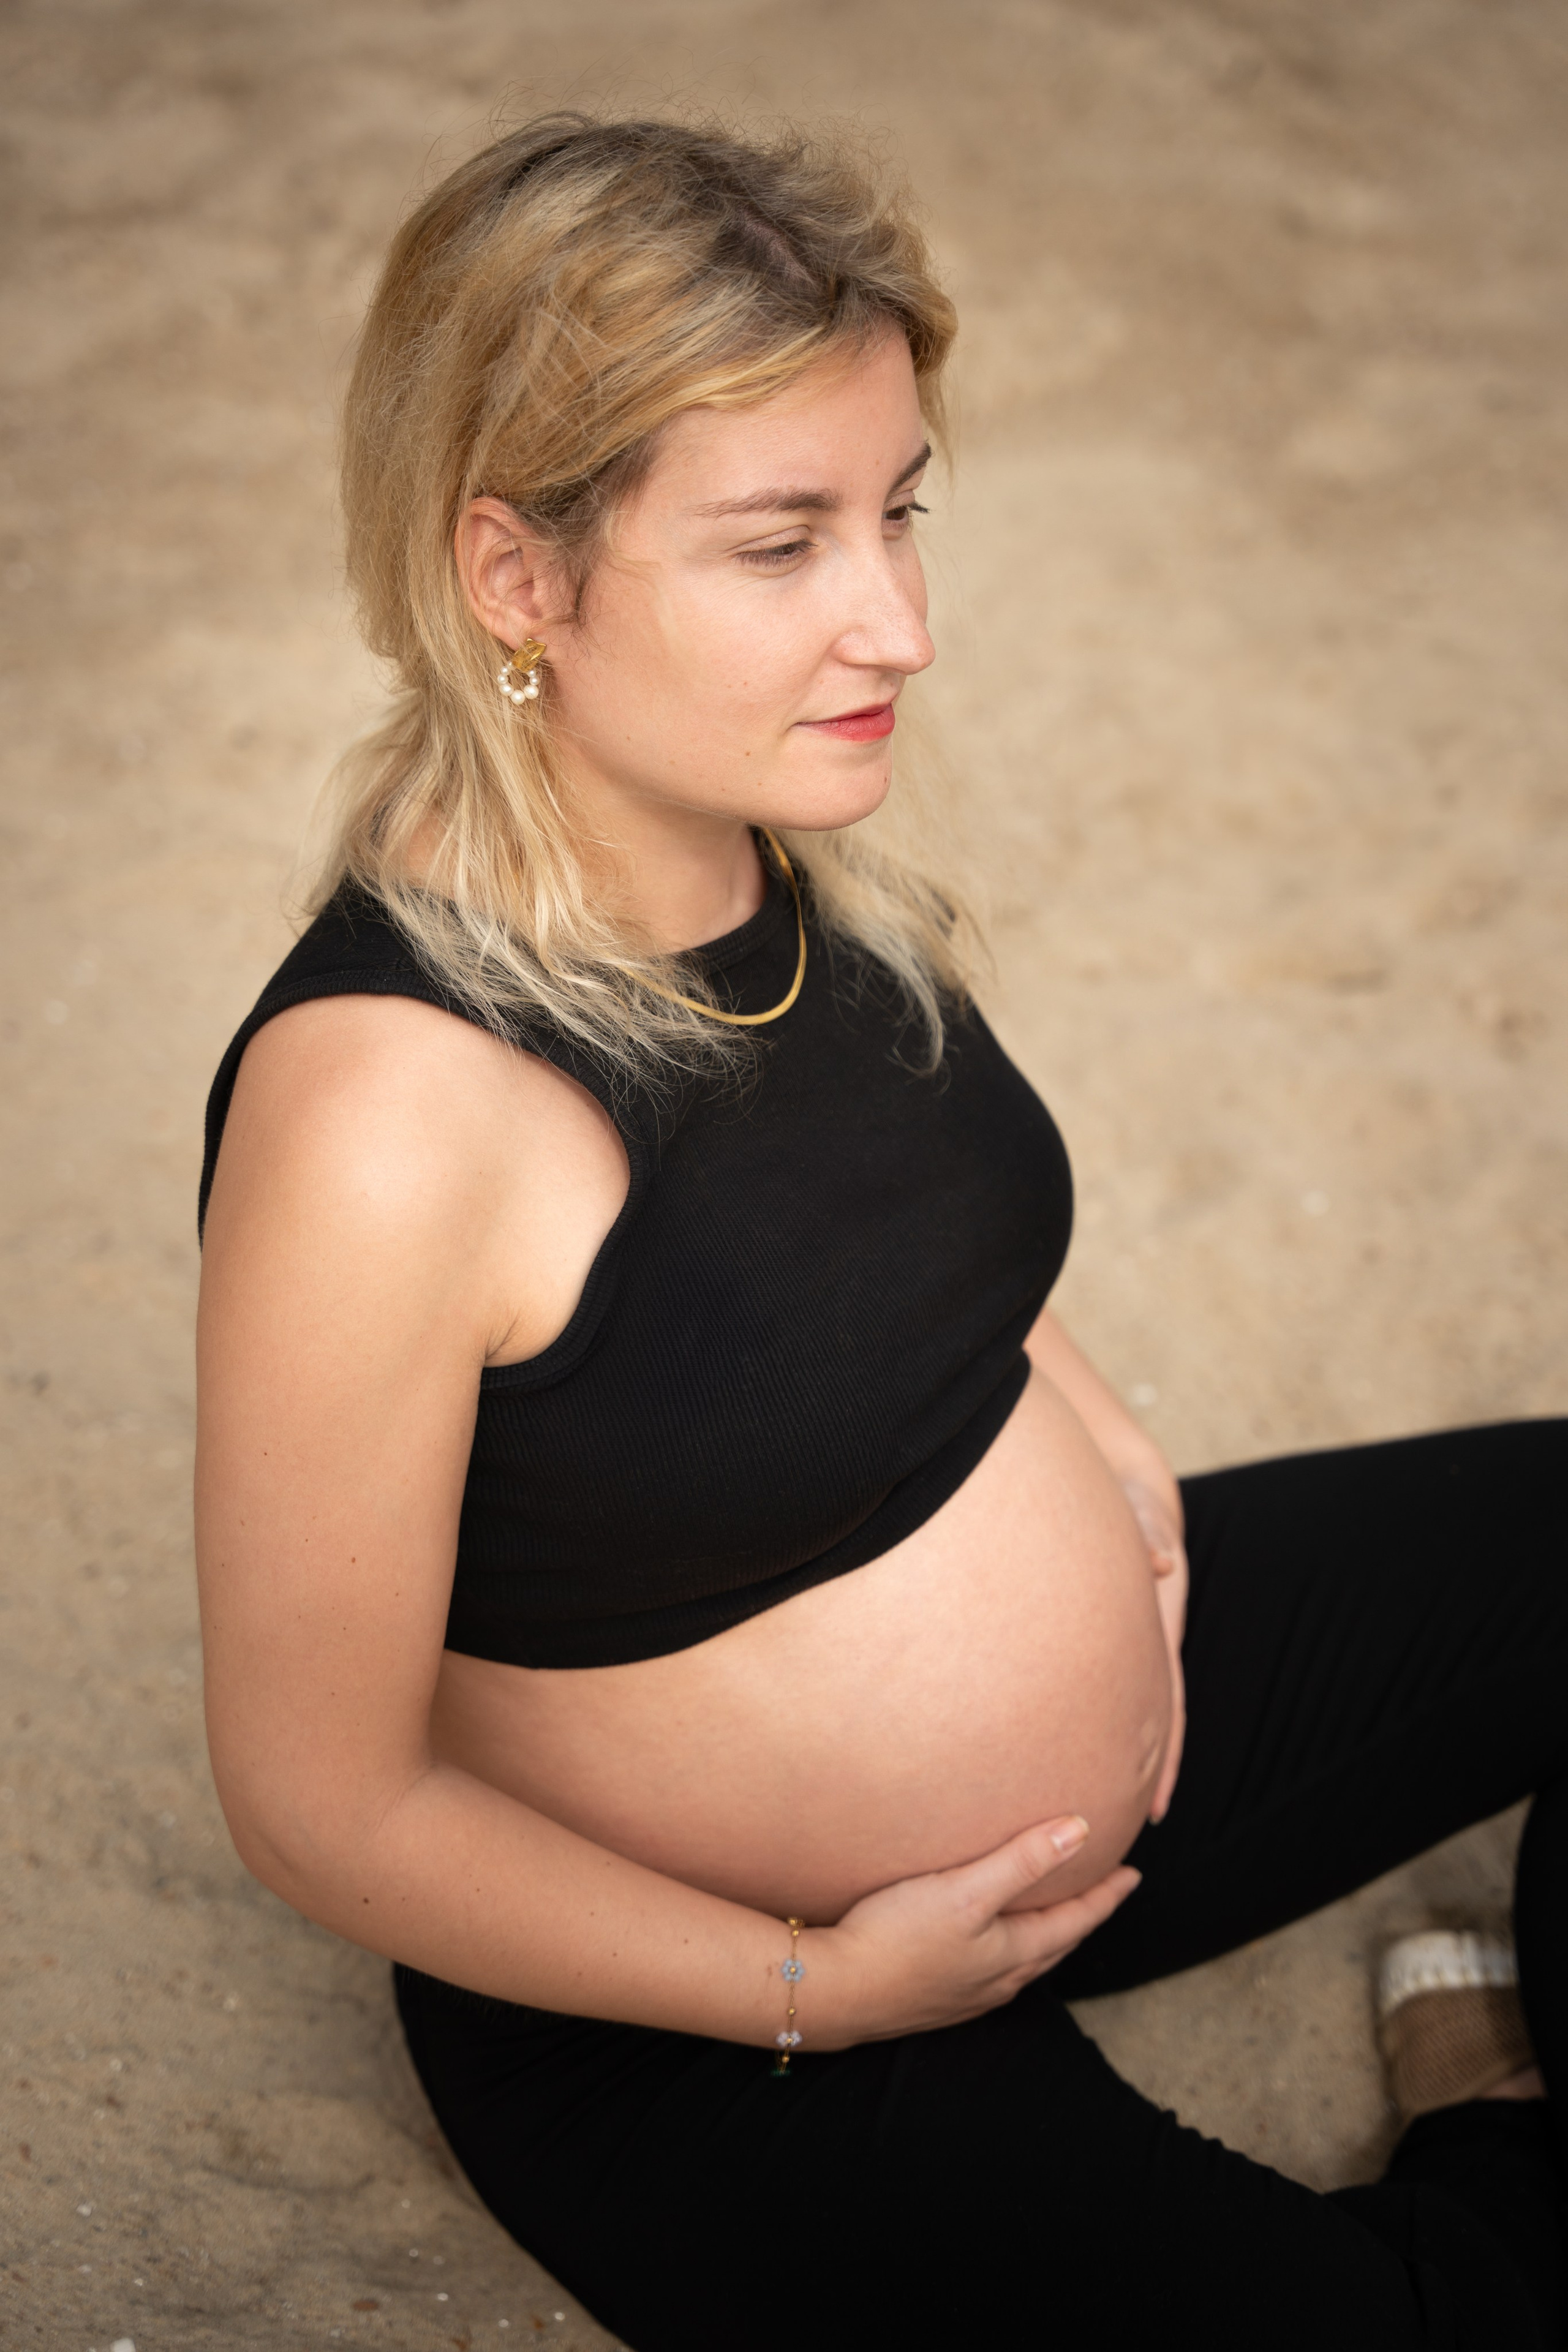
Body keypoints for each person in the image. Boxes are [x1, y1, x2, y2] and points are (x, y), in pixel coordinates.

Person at [194, 114, 1566, 2350]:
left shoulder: (755, 819)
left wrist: (1100, 1441)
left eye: (899, 510)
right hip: (701, 2015)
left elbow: (872, 1224)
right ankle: (1490, 2125)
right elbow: (320, 1807)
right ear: (516, 575)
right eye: (783, 542)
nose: (900, 626)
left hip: (1095, 1788)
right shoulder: (386, 1118)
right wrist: (814, 1986)